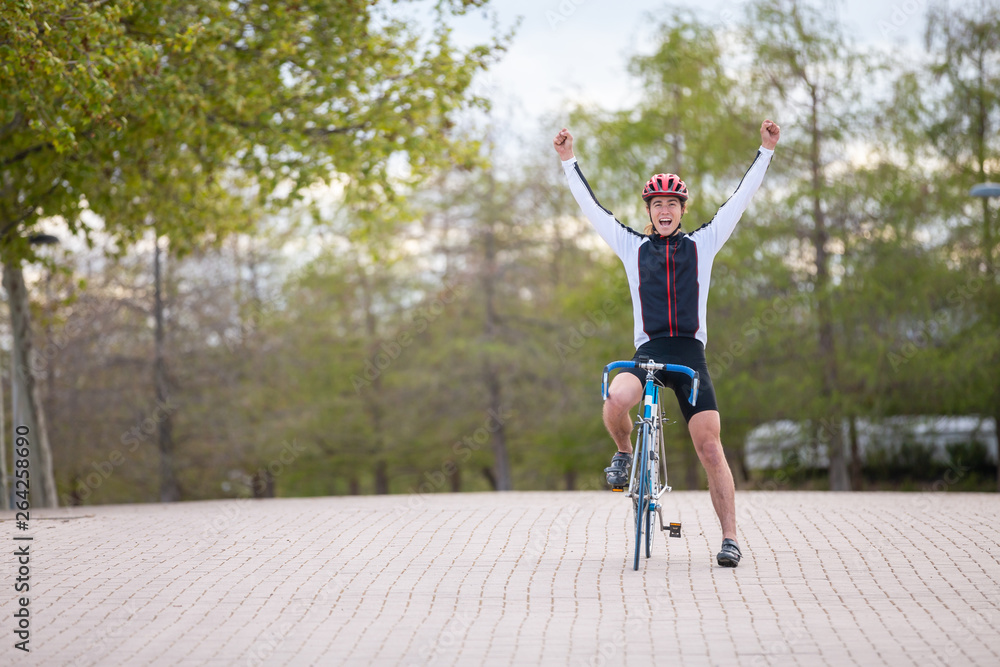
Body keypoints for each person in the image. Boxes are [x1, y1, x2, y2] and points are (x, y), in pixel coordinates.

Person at [553, 120, 780, 567]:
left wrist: (766, 151)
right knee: (616, 398)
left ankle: (730, 538)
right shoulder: (632, 246)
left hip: (690, 357)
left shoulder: (704, 242)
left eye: (672, 204)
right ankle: (624, 455)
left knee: (710, 448)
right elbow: (592, 208)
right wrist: (567, 160)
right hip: (649, 353)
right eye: (657, 204)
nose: (664, 210)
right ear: (649, 210)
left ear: (681, 210)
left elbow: (739, 199)